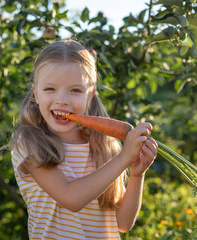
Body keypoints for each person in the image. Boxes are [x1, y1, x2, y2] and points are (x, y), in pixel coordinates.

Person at [9, 39, 158, 239]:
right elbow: (71, 198)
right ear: (36, 94)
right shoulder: (31, 144)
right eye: (50, 89)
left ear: (90, 95)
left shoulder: (103, 145)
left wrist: (137, 175)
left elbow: (123, 223)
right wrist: (124, 158)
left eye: (76, 90)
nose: (62, 99)